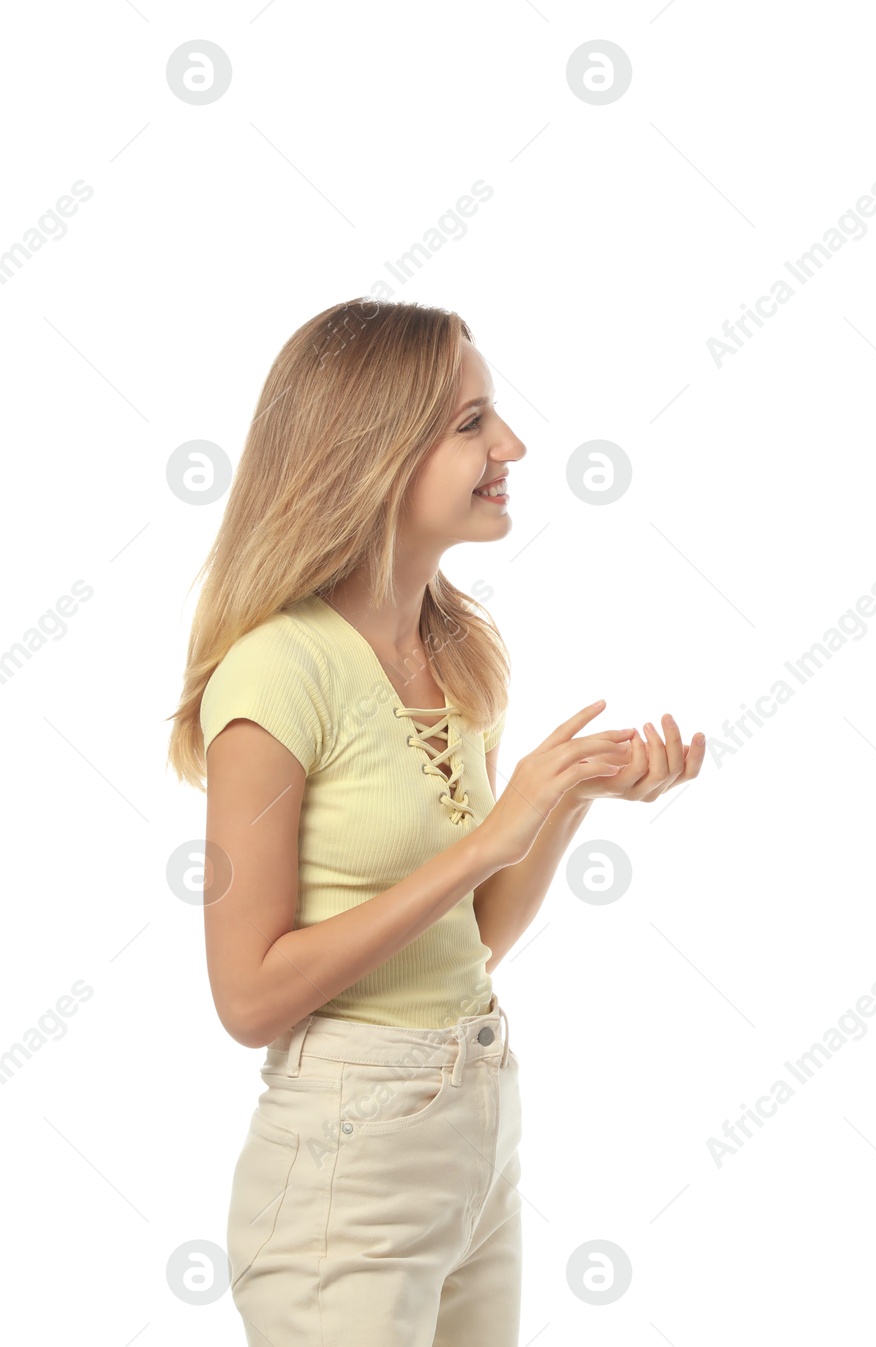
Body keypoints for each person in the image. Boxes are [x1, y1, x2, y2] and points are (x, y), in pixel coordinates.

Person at [166, 298, 705, 1345]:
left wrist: (562, 801)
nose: (511, 445)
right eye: (470, 424)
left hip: (478, 1127)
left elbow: (473, 938)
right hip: (345, 1162)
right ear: (371, 454)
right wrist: (492, 835)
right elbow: (247, 997)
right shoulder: (276, 671)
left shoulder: (459, 653)